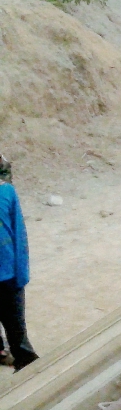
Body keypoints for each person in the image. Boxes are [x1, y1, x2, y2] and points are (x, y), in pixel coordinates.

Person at [0, 154, 36, 371]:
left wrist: (21, 273)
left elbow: (19, 234)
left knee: (16, 329)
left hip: (9, 275)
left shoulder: (6, 192)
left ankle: (27, 364)